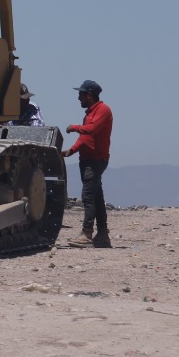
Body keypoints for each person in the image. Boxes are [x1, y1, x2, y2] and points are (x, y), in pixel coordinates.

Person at [62, 79, 113, 247]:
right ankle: (103, 235)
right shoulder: (90, 113)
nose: (78, 99)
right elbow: (86, 138)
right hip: (88, 160)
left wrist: (73, 127)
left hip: (96, 161)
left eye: (80, 95)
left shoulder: (103, 111)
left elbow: (90, 130)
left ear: (89, 95)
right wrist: (72, 150)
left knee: (88, 196)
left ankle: (87, 233)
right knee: (97, 196)